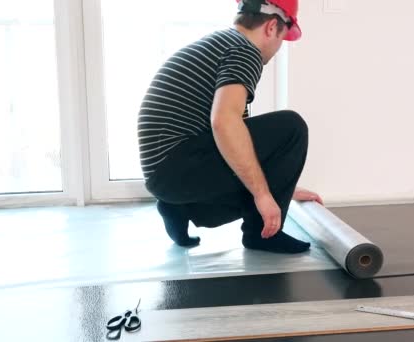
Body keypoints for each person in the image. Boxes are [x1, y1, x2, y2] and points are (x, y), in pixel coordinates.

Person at [137, 0, 323, 254]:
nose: (279, 47)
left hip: (168, 175)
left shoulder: (221, 43)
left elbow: (238, 139)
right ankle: (263, 235)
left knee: (243, 144)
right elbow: (224, 121)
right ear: (271, 27)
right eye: (283, 37)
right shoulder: (245, 51)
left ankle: (181, 209)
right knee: (292, 128)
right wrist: (264, 196)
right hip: (178, 166)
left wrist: (284, 187)